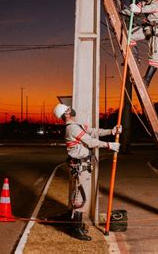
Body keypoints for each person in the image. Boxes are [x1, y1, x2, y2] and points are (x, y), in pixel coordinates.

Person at [53, 103, 122, 241]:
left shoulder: (76, 125)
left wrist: (111, 131)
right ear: (66, 114)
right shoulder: (72, 128)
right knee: (80, 198)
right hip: (80, 166)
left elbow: (94, 132)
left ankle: (75, 225)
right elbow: (90, 142)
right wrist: (109, 145)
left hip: (83, 164)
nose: (71, 108)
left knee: (79, 196)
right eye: (68, 108)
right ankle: (75, 229)